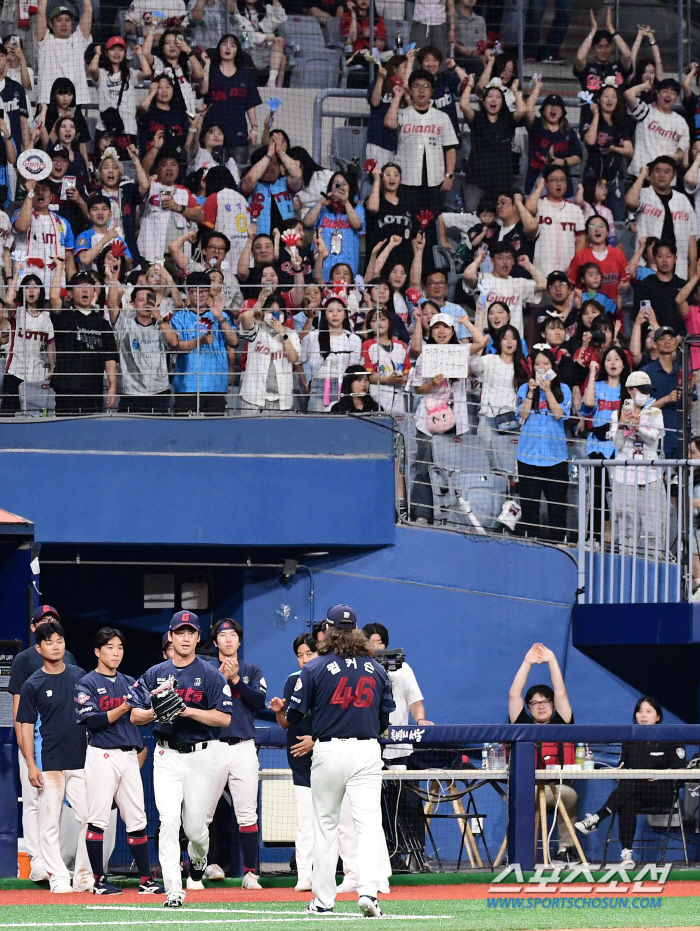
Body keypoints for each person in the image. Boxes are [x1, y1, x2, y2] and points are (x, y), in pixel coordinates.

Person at [286, 604, 395, 918]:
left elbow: (294, 716)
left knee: (326, 826)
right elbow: (384, 719)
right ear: (357, 631)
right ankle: (369, 893)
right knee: (369, 824)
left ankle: (323, 899)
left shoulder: (315, 668)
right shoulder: (377, 668)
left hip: (329, 750)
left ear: (329, 632)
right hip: (366, 750)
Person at [128, 611, 233, 908]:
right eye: (179, 632)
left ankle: (198, 860)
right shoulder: (155, 673)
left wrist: (187, 711)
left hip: (201, 754)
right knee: (169, 820)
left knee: (196, 829)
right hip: (166, 753)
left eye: (190, 632)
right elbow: (134, 714)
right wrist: (155, 712)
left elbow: (224, 718)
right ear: (171, 637)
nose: (185, 637)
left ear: (198, 637)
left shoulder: (211, 674)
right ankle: (174, 889)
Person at [74, 628, 163, 896]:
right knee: (98, 818)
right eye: (110, 647)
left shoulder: (129, 681)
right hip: (102, 753)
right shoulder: (86, 683)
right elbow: (93, 721)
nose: (116, 652)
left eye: (120, 647)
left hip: (128, 754)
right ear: (97, 651)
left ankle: (145, 880)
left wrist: (159, 706)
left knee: (137, 818)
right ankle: (98, 881)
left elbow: (140, 712)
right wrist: (124, 707)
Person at [16, 620, 92, 893]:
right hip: (49, 763)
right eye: (49, 642)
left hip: (81, 761)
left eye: (59, 640)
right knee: (49, 823)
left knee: (89, 819)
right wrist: (31, 763)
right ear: (38, 648)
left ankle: (84, 876)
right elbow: (24, 725)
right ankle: (58, 876)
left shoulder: (79, 675)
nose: (55, 645)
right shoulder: (32, 684)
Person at [8, 606, 77, 884]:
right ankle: (37, 862)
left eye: (54, 621)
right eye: (43, 622)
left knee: (57, 804)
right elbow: (18, 711)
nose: (49, 625)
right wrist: (26, 753)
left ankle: (55, 861)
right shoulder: (24, 660)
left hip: (61, 743)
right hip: (33, 742)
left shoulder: (69, 659)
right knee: (33, 803)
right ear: (33, 628)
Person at [575, 696, 685, 868]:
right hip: (637, 791)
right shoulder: (630, 740)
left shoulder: (670, 738)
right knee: (628, 801)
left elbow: (679, 770)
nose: (643, 715)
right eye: (639, 711)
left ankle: (597, 817)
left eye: (648, 711)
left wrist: (656, 776)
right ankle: (626, 853)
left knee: (633, 783)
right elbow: (623, 768)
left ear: (658, 717)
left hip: (663, 792)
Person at [204, 618, 266, 891]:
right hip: (214, 746)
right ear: (215, 641)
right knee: (203, 812)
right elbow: (201, 702)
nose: (228, 639)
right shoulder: (206, 670)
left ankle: (251, 873)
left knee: (247, 813)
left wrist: (237, 680)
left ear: (239, 641)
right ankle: (203, 866)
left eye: (232, 635)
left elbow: (258, 701)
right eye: (222, 635)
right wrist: (221, 678)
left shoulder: (252, 669)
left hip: (243, 745)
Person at [508, 642, 578, 865]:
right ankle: (518, 853)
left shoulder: (562, 722)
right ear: (528, 708)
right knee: (519, 797)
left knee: (571, 795)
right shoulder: (521, 724)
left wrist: (551, 660)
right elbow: (514, 694)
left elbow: (561, 692)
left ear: (553, 704)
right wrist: (528, 662)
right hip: (524, 788)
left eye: (545, 701)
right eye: (534, 703)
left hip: (556, 789)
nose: (540, 706)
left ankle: (564, 850)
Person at [384, 70, 458, 248]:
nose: (421, 91)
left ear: (432, 91)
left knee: (431, 227)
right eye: (416, 86)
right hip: (408, 182)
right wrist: (397, 96)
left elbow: (450, 148)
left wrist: (449, 175)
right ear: (411, 89)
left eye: (426, 86)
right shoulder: (403, 113)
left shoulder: (442, 117)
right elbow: (389, 123)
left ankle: (429, 269)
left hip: (434, 183)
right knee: (407, 226)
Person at [268, 634, 318, 892]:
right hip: (299, 760)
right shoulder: (292, 681)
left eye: (309, 653)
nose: (304, 659)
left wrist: (316, 740)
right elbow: (286, 722)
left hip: (327, 758)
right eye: (300, 655)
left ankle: (337, 874)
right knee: (305, 821)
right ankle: (305, 876)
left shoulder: (327, 678)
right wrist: (278, 711)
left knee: (335, 821)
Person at [516, 349, 571, 542]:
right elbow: (522, 415)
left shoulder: (563, 388)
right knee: (529, 503)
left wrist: (547, 390)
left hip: (555, 456)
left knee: (557, 503)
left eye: (545, 364)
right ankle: (530, 539)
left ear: (553, 366)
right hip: (528, 454)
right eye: (537, 364)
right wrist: (532, 391)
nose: (541, 368)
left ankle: (557, 540)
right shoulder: (525, 388)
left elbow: (559, 414)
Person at [608, 370, 666, 550]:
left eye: (648, 391)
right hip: (624, 475)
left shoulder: (655, 412)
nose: (646, 395)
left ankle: (654, 561)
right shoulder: (617, 414)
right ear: (631, 391)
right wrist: (621, 425)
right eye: (642, 390)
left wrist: (638, 427)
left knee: (654, 524)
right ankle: (626, 560)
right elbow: (617, 444)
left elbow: (653, 438)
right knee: (626, 523)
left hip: (651, 475)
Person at [49, 269, 118, 415]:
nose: (85, 290)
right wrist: (60, 267)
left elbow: (110, 357)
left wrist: (112, 386)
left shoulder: (103, 324)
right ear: (71, 293)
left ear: (95, 292)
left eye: (89, 286)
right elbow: (54, 297)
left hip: (94, 391)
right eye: (79, 286)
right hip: (66, 389)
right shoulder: (64, 316)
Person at [169, 272, 238, 415]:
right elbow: (175, 347)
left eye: (204, 291)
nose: (200, 295)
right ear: (188, 291)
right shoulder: (179, 318)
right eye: (195, 291)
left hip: (215, 385)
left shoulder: (221, 315)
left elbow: (234, 341)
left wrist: (220, 318)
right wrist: (199, 342)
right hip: (187, 386)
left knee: (215, 433)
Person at [106, 281, 177, 414]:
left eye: (149, 300)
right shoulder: (126, 325)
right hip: (131, 393)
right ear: (133, 304)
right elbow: (111, 305)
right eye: (140, 299)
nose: (145, 303)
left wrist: (158, 317)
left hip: (159, 392)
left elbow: (174, 342)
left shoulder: (162, 326)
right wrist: (113, 278)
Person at [470, 324, 530, 476]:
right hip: (489, 419)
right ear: (499, 341)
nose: (509, 342)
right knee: (488, 465)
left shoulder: (522, 365)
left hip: (512, 422)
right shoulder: (490, 359)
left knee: (511, 467)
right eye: (505, 338)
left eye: (513, 338)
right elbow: (474, 367)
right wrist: (479, 345)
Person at [461, 74, 526, 212]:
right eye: (490, 96)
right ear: (484, 101)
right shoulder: (477, 119)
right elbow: (464, 105)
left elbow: (522, 110)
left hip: (502, 182)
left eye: (498, 97)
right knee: (473, 218)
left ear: (502, 102)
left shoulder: (507, 120)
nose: (493, 100)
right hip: (476, 181)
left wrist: (515, 90)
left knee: (500, 221)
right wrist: (470, 85)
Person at [626, 159, 697, 281]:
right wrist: (642, 175)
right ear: (651, 174)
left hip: (678, 270)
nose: (662, 175)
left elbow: (692, 238)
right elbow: (630, 202)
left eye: (667, 171)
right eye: (657, 171)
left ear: (673, 175)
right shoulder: (643, 194)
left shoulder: (682, 200)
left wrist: (692, 274)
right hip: (647, 269)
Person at [463, 241, 546, 337]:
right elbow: (467, 275)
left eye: (509, 258)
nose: (505, 262)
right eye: (500, 258)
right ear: (492, 260)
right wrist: (478, 260)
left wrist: (528, 265)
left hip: (513, 341)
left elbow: (544, 284)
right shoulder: (484, 278)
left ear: (513, 261)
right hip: (486, 339)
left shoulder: (519, 283)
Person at [137, 151, 204, 265]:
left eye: (173, 164)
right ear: (157, 170)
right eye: (164, 165)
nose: (169, 168)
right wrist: (156, 148)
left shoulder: (184, 192)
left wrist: (179, 208)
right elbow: (142, 170)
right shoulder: (151, 186)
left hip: (178, 256)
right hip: (152, 254)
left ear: (178, 168)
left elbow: (200, 216)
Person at [0, 273, 54, 415]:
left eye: (35, 287)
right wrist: (16, 273)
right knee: (8, 415)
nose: (31, 290)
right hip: (14, 372)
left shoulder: (46, 318)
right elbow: (8, 299)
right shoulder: (17, 312)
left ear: (40, 291)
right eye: (27, 287)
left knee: (35, 416)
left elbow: (50, 345)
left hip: (37, 375)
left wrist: (53, 367)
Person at [201, 34, 261, 160]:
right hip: (212, 135)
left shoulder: (245, 76)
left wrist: (254, 129)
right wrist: (206, 66)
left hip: (237, 134)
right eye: (224, 44)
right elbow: (203, 90)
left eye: (232, 45)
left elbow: (250, 105)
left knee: (237, 175)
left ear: (237, 50)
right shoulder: (211, 72)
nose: (228, 48)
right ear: (219, 49)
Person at [12, 178, 76, 296]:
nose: (40, 193)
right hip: (26, 288)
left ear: (51, 196)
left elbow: (69, 258)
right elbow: (21, 227)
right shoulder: (20, 214)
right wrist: (30, 193)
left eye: (44, 190)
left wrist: (72, 288)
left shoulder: (63, 223)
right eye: (36, 190)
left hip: (55, 289)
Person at [238, 290, 301, 410]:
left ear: (284, 315)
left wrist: (282, 332)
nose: (274, 316)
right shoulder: (256, 330)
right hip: (253, 398)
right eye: (271, 312)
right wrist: (259, 303)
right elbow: (245, 317)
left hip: (281, 401)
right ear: (263, 313)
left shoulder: (291, 334)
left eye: (278, 312)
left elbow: (294, 359)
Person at [580, 85, 633, 223]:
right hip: (593, 178)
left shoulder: (620, 123)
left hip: (614, 180)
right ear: (598, 99)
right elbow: (591, 141)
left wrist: (613, 149)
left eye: (613, 96)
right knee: (591, 218)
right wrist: (596, 115)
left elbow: (629, 151)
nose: (609, 100)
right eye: (605, 96)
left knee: (617, 220)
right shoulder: (589, 118)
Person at [524, 82, 582, 199]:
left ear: (562, 112)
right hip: (536, 180)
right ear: (543, 110)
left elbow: (578, 157)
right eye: (549, 106)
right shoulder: (536, 126)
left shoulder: (568, 131)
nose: (553, 108)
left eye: (557, 106)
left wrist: (563, 162)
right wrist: (538, 88)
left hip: (562, 183)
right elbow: (528, 110)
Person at [526, 169, 586, 279]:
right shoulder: (539, 204)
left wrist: (574, 266)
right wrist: (539, 188)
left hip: (567, 271)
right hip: (541, 270)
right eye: (554, 180)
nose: (559, 184)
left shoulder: (575, 209)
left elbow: (580, 242)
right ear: (546, 183)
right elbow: (528, 209)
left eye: (562, 180)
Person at [624, 79, 689, 180]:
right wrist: (644, 86)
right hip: (641, 175)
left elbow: (681, 153)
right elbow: (628, 94)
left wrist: (670, 158)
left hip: (666, 180)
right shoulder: (646, 112)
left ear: (676, 98)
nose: (669, 95)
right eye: (665, 91)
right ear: (658, 94)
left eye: (673, 93)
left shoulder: (681, 122)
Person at [241, 138, 303, 238]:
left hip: (287, 241)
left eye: (275, 164)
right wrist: (269, 155)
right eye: (267, 162)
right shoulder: (251, 184)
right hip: (258, 242)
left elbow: (298, 175)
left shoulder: (284, 183)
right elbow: (251, 178)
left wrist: (281, 153)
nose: (271, 167)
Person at [35, 0, 93, 107]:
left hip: (74, 103)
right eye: (59, 20)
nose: (64, 24)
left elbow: (88, 10)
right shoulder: (45, 41)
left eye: (67, 20)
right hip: (48, 103)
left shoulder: (78, 40)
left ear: (72, 23)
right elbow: (40, 11)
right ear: (51, 24)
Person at [567, 216, 630, 311]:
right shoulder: (580, 256)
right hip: (586, 314)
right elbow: (569, 286)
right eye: (592, 227)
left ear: (608, 232)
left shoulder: (618, 254)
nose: (597, 229)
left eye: (601, 226)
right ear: (587, 234)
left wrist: (624, 286)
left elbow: (626, 281)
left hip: (612, 311)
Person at [364, 162, 413, 275]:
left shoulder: (408, 204)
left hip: (403, 262)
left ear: (400, 180)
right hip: (379, 262)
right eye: (387, 174)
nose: (392, 177)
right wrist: (376, 179)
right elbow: (372, 208)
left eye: (396, 175)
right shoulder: (374, 200)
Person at [642, 327, 683, 458]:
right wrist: (666, 399)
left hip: (679, 436)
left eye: (670, 338)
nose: (667, 341)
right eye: (662, 338)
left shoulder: (682, 373)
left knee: (679, 477)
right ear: (655, 343)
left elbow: (689, 407)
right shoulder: (646, 372)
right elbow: (641, 409)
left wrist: (688, 389)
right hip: (654, 437)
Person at [361, 308, 410, 414]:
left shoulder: (400, 345)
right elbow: (368, 375)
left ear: (389, 322)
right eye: (374, 321)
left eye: (383, 319)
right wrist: (388, 380)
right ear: (369, 325)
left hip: (399, 397)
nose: (379, 323)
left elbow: (408, 368)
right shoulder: (367, 345)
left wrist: (405, 378)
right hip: (377, 396)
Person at [573, 7, 632, 94]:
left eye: (607, 46)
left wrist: (611, 28)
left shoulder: (618, 67)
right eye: (599, 47)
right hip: (591, 107)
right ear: (592, 49)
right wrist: (593, 31)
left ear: (611, 48)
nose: (603, 51)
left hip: (618, 107)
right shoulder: (587, 68)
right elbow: (579, 57)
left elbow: (627, 54)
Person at [633, 240, 687, 333]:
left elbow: (689, 317)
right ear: (654, 259)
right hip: (652, 340)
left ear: (675, 259)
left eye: (669, 256)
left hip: (680, 340)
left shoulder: (683, 286)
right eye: (660, 256)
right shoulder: (644, 286)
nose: (664, 260)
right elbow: (638, 318)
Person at [231, 0, 287, 87]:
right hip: (248, 51)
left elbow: (282, 17)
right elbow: (246, 36)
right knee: (280, 55)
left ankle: (273, 84)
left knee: (282, 56)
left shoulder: (267, 9)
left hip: (267, 52)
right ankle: (273, 85)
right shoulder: (236, 13)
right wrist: (271, 38)